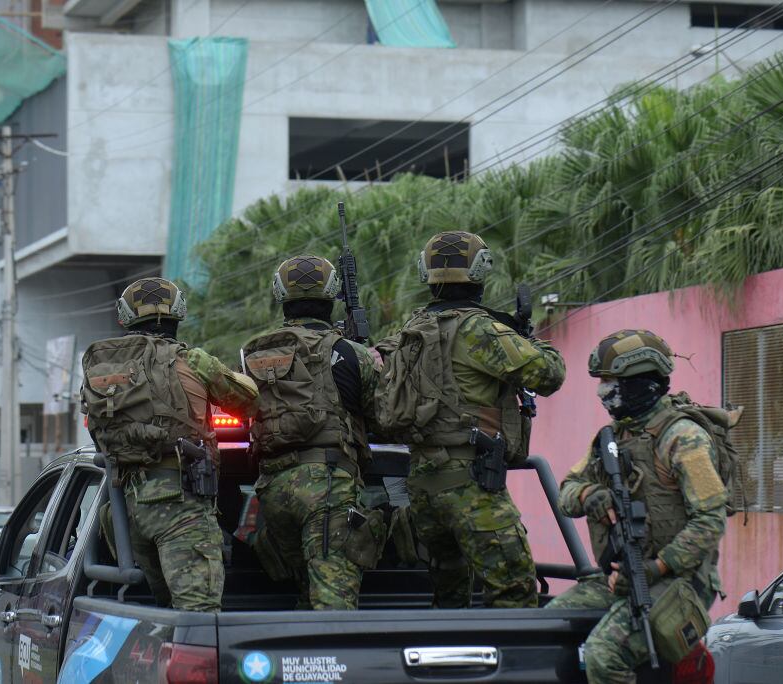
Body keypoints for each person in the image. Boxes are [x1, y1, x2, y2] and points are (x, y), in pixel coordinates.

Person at [380, 231, 566, 608]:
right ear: (481, 271)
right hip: (472, 483)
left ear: (426, 272)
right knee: (514, 595)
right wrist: (530, 340)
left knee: (449, 598)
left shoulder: (408, 331)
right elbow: (549, 375)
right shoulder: (479, 329)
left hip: (422, 487)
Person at [549, 330, 728, 684]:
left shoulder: (683, 437)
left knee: (605, 655)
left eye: (611, 382)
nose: (603, 392)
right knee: (550, 628)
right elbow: (566, 492)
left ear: (640, 383)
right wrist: (589, 496)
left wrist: (657, 567)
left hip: (679, 582)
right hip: (622, 576)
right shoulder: (612, 437)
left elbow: (710, 520)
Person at [81, 277, 258, 612]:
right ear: (180, 313)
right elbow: (247, 401)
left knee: (164, 614)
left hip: (128, 510)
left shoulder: (105, 370)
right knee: (199, 617)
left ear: (124, 317)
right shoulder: (192, 361)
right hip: (183, 507)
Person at [243, 255, 383, 610]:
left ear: (280, 294)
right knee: (333, 605)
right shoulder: (351, 353)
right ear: (333, 293)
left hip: (272, 493)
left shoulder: (254, 353)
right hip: (327, 488)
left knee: (307, 595)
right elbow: (382, 416)